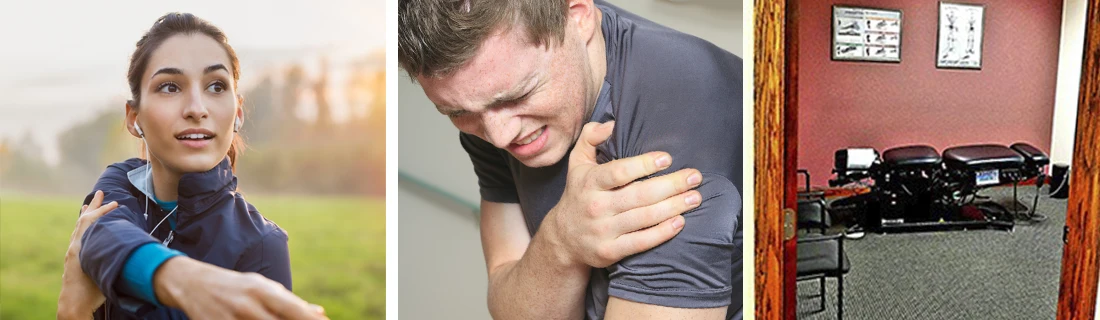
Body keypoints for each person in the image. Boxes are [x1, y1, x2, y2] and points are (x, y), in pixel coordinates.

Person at [399, 1, 743, 319]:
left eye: (520, 94)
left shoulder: (683, 112)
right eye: (457, 113)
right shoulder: (488, 105)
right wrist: (561, 242)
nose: (500, 137)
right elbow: (509, 305)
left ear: (578, 16)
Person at [56, 13, 327, 320]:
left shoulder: (263, 244)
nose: (197, 109)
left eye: (215, 86)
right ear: (135, 118)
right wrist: (187, 282)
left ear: (238, 113)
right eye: (170, 87)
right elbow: (101, 234)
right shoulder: (121, 179)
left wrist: (73, 307)